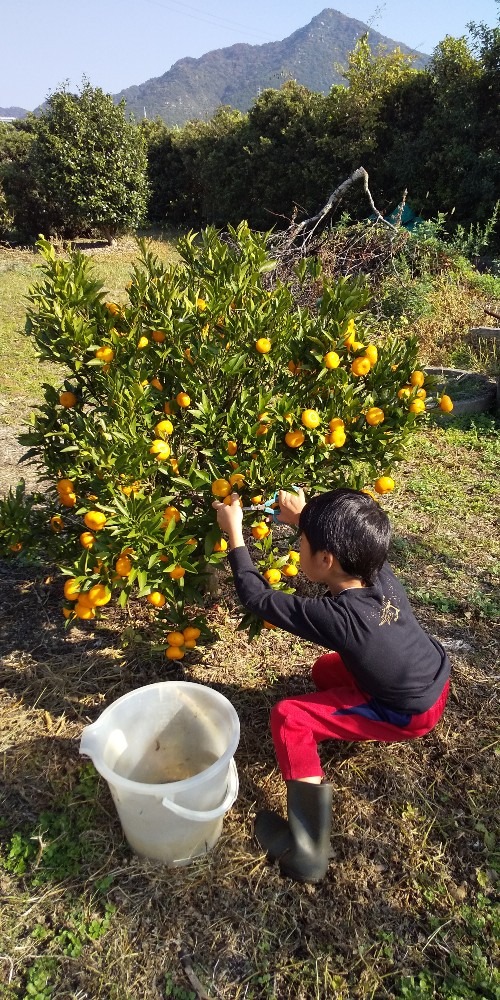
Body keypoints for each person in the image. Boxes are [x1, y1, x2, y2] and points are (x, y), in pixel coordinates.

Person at [212, 486, 451, 884]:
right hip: (432, 675)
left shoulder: (338, 618)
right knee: (326, 670)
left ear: (325, 559)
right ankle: (350, 715)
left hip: (409, 711)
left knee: (290, 717)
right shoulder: (374, 566)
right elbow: (341, 539)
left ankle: (307, 850)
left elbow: (256, 596)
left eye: (302, 542)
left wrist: (234, 533)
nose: (300, 546)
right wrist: (306, 517)